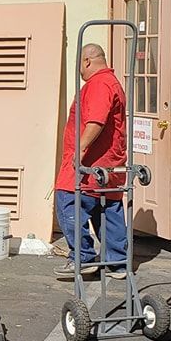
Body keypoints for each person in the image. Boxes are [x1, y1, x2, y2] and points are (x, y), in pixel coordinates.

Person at [53, 44, 128, 280]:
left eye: (79, 66)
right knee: (107, 209)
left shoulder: (98, 84)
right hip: (109, 165)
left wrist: (81, 148)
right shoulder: (112, 82)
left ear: (87, 61)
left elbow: (96, 120)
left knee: (67, 200)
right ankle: (117, 262)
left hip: (90, 165)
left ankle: (82, 256)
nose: (80, 72)